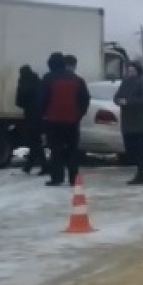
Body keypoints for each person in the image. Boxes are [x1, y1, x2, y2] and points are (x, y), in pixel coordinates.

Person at [40, 52, 91, 186]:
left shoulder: (48, 78)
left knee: (55, 150)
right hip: (72, 121)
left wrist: (43, 115)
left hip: (52, 120)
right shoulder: (77, 80)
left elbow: (41, 99)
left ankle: (57, 177)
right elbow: (85, 99)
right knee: (72, 150)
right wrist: (79, 114)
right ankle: (73, 178)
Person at [114, 61, 143, 185]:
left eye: (132, 71)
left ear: (138, 71)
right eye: (128, 71)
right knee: (130, 149)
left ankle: (141, 172)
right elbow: (116, 96)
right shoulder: (125, 82)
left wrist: (128, 102)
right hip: (127, 121)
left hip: (140, 121)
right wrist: (119, 101)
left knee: (139, 148)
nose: (130, 73)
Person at [15, 65, 48, 175]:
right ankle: (32, 165)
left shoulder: (23, 82)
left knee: (34, 141)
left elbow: (19, 101)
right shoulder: (38, 81)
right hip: (39, 114)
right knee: (36, 141)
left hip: (30, 114)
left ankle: (42, 165)